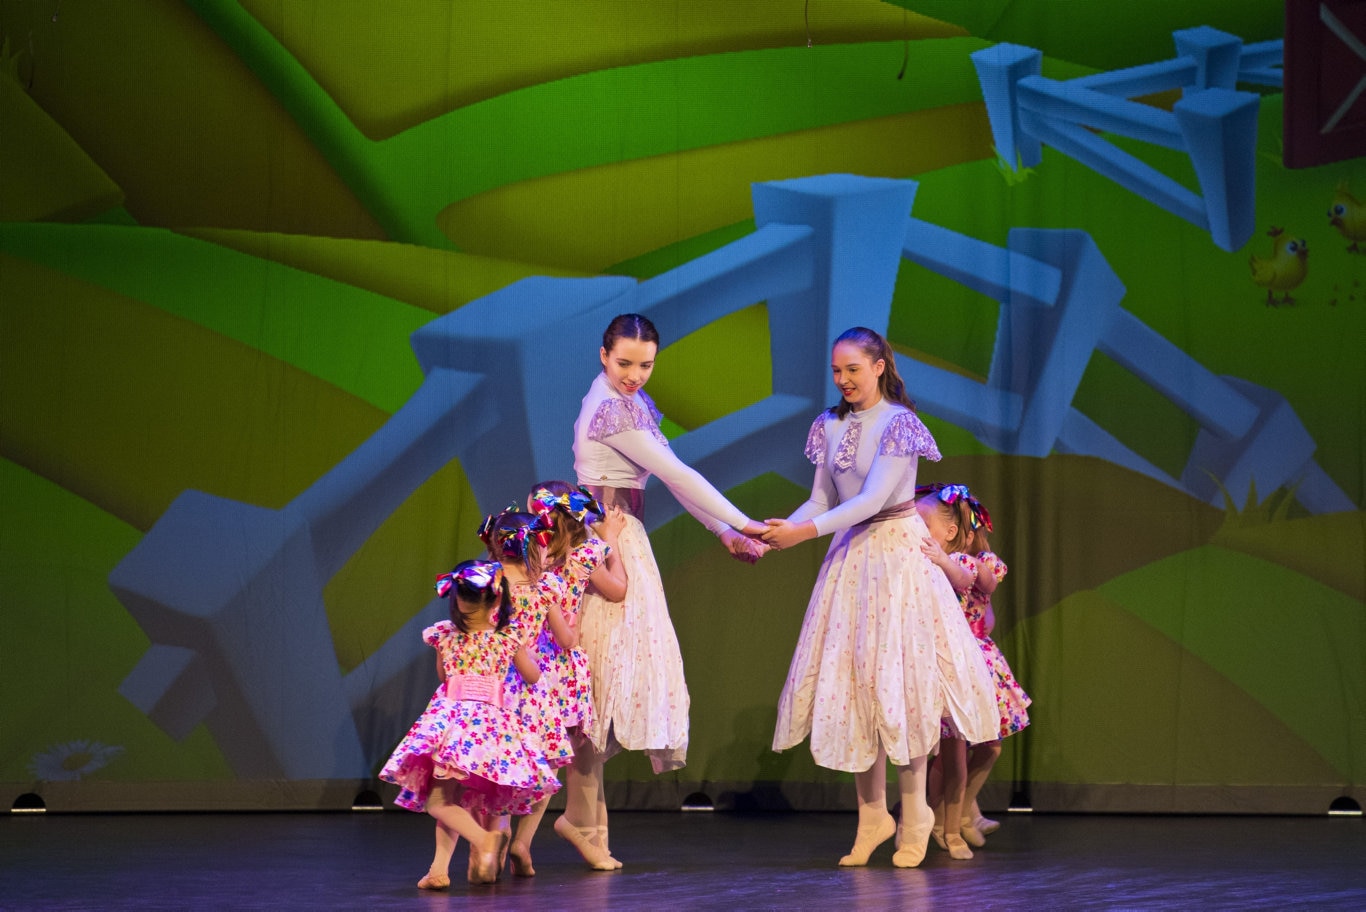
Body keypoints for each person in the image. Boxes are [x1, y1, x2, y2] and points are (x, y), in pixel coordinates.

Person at [763, 326, 998, 868]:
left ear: (879, 365)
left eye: (853, 368)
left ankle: (915, 814)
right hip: (851, 560)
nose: (844, 379)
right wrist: (770, 535)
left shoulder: (900, 425)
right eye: (836, 370)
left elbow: (872, 499)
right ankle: (873, 817)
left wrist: (804, 532)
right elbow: (820, 497)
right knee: (856, 683)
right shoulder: (828, 424)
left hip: (896, 558)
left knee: (902, 685)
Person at [564, 313, 769, 869]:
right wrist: (745, 522)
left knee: (609, 676)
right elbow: (680, 474)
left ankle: (588, 820)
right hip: (606, 541)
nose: (635, 374)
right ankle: (579, 819)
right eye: (625, 362)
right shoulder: (610, 408)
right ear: (603, 355)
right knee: (598, 679)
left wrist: (723, 530)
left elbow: (671, 479)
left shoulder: (622, 402)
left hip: (621, 537)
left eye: (646, 365)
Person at [378, 559, 557, 888]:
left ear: (457, 600)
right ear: (495, 599)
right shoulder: (507, 637)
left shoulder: (445, 636)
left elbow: (444, 677)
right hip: (492, 729)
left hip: (455, 725)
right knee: (452, 801)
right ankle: (438, 870)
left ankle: (483, 840)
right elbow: (532, 677)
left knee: (440, 801)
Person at [508, 482, 627, 874]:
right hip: (563, 664)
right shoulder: (584, 555)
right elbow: (618, 589)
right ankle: (523, 841)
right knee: (556, 757)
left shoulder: (533, 558)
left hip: (528, 661)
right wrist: (611, 540)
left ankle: (513, 841)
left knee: (531, 753)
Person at [916, 482, 1029, 854]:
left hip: (976, 662)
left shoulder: (968, 562)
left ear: (957, 531)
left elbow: (980, 580)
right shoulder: (930, 561)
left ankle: (961, 813)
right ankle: (940, 818)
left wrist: (946, 560)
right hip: (945, 659)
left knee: (988, 745)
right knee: (948, 752)